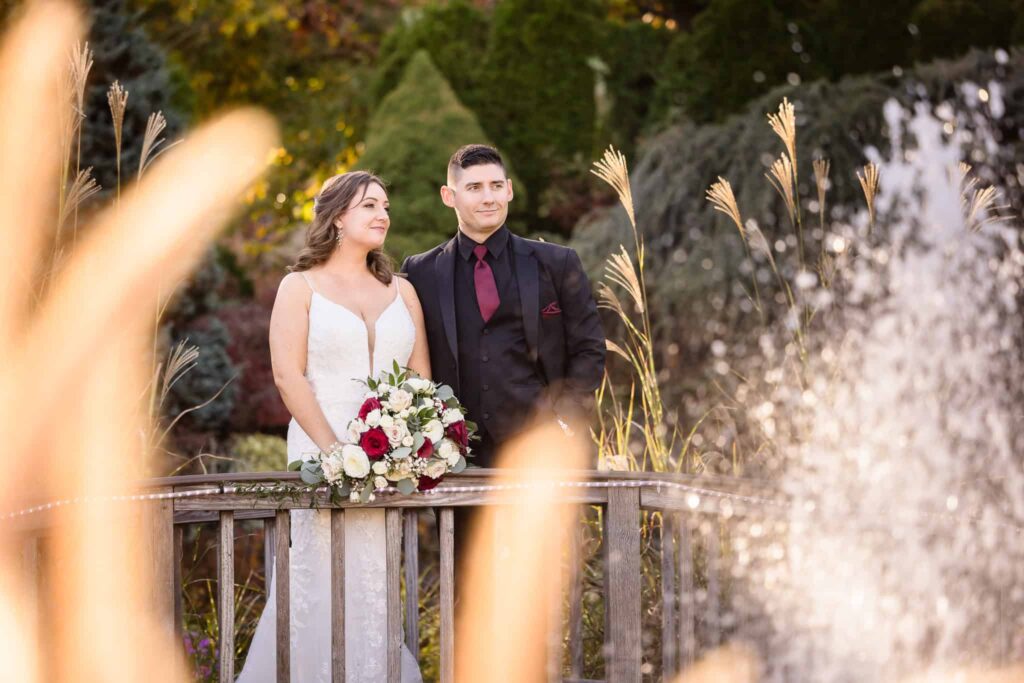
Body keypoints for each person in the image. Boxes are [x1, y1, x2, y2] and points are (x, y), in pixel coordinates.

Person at [238, 172, 427, 683]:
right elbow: (287, 374)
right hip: (320, 450)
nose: (383, 214)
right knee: (315, 578)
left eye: (386, 205)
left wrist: (403, 448)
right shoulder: (299, 287)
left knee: (373, 578)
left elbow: (420, 380)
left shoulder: (402, 291)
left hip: (389, 456)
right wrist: (336, 454)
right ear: (338, 216)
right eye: (369, 205)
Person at [401, 143, 605, 593]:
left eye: (496, 185)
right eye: (473, 187)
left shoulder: (556, 263)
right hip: (459, 461)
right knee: (468, 583)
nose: (487, 196)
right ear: (448, 196)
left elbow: (589, 350)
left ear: (510, 191)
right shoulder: (419, 273)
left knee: (539, 586)